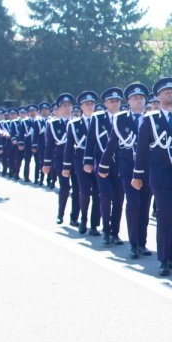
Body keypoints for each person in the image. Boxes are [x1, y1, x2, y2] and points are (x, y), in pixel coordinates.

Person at [133, 78, 172, 277]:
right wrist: (137, 174)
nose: (170, 94)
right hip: (160, 176)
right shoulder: (150, 119)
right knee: (166, 215)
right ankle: (163, 259)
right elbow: (141, 150)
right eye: (166, 92)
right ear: (158, 97)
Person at [100, 83, 153, 260]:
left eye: (141, 98)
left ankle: (142, 243)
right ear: (129, 101)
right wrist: (104, 165)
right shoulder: (121, 119)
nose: (139, 100)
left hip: (148, 168)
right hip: (128, 168)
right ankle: (133, 244)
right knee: (133, 204)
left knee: (145, 205)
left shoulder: (152, 118)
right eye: (135, 98)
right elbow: (113, 141)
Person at [90, 88, 126, 246]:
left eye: (117, 101)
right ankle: (105, 229)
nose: (115, 103)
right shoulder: (98, 118)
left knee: (119, 199)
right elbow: (91, 140)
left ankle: (115, 232)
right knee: (105, 197)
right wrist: (88, 161)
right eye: (112, 101)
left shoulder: (124, 118)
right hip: (102, 165)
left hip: (120, 165)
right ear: (105, 103)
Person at [69, 92, 101, 235]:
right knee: (84, 192)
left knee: (99, 193)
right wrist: (66, 166)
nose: (90, 106)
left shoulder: (101, 121)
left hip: (98, 161)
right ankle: (83, 220)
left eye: (92, 103)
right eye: (87, 104)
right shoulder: (74, 124)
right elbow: (69, 147)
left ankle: (94, 224)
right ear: (81, 107)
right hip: (81, 162)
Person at [44, 94, 75, 224]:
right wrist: (47, 163)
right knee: (64, 187)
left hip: (76, 159)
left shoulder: (77, 122)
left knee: (78, 189)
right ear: (59, 109)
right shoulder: (53, 124)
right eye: (64, 106)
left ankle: (74, 217)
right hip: (61, 159)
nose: (66, 108)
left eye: (68, 105)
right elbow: (49, 145)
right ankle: (60, 213)